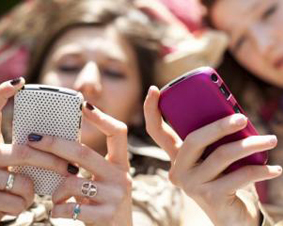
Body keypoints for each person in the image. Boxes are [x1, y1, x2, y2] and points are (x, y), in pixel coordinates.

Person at [0, 1, 187, 225]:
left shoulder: (171, 182)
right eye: (68, 67)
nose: (87, 82)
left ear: (141, 106)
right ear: (35, 83)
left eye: (113, 72)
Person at [146, 0, 283, 225]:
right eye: (240, 41)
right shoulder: (262, 143)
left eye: (268, 12)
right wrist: (245, 221)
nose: (264, 45)